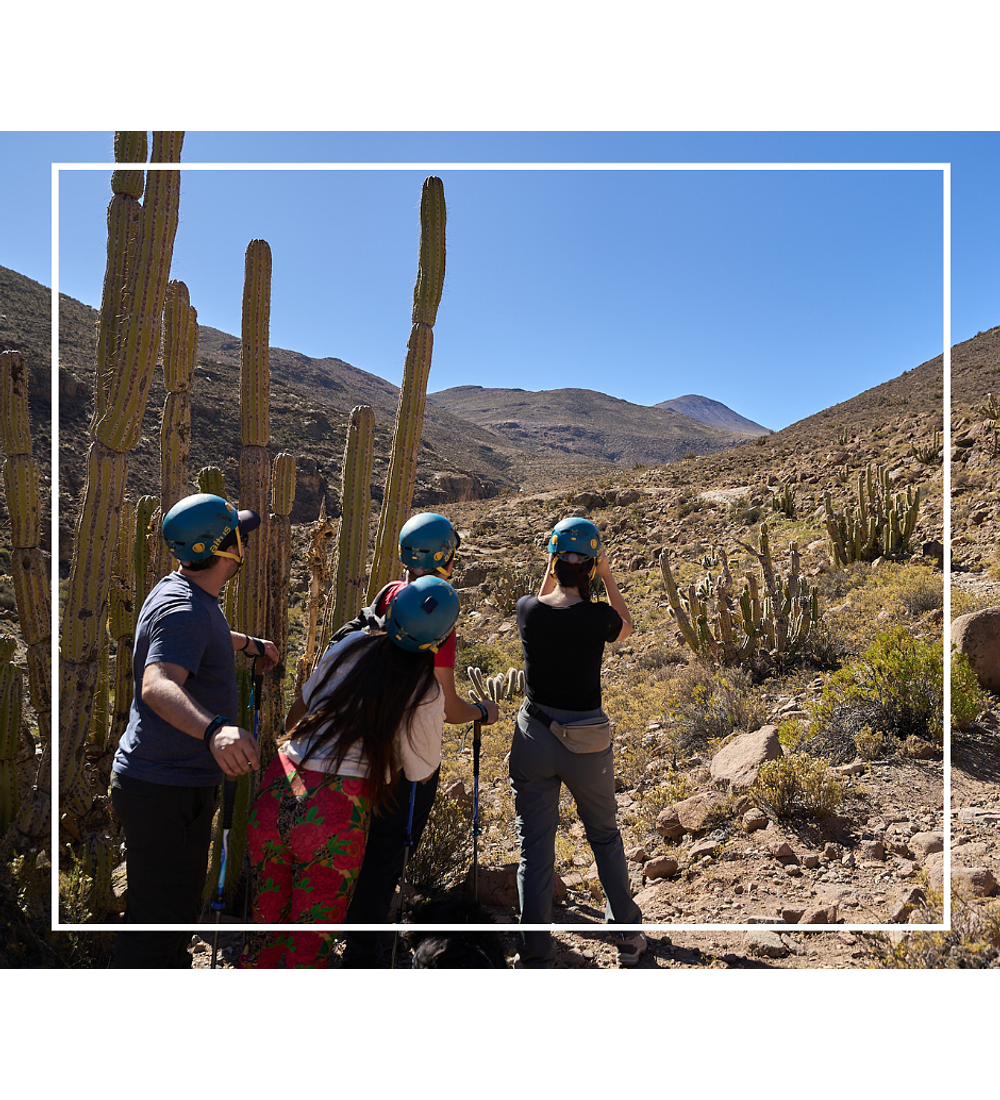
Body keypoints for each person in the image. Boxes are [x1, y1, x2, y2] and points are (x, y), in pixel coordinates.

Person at [240, 575, 460, 969]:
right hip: (333, 814)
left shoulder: (349, 644)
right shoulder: (425, 690)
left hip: (279, 782)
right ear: (440, 641)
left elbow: (298, 712)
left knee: (265, 930)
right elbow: (421, 773)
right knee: (308, 945)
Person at [110, 492, 279, 969]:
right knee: (158, 924)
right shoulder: (185, 609)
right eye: (238, 535)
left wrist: (248, 644)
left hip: (167, 782)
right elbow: (156, 684)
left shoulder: (185, 595)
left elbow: (197, 635)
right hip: (166, 787)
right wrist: (214, 732)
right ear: (221, 548)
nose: (244, 541)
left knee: (172, 914)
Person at [338, 512, 500, 968]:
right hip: (410, 756)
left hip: (365, 742)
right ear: (444, 556)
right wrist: (482, 712)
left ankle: (350, 934)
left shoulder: (390, 593)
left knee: (360, 847)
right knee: (388, 854)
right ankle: (363, 953)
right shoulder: (438, 608)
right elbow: (448, 708)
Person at [509, 516, 645, 969]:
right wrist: (605, 576)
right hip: (587, 741)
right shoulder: (597, 617)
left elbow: (546, 592)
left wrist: (555, 564)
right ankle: (627, 939)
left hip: (534, 738)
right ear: (589, 566)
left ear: (553, 561)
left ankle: (535, 953)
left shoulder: (527, 609)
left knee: (534, 847)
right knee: (604, 835)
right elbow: (626, 625)